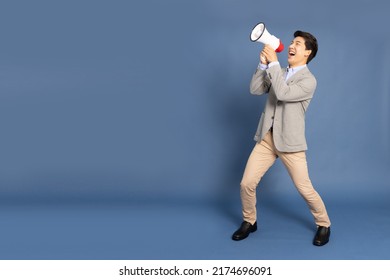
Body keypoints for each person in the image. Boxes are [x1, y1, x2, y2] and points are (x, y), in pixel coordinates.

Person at [232, 30, 331, 246]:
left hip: (290, 143)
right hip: (267, 138)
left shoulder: (309, 81)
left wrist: (273, 65)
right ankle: (250, 220)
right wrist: (262, 66)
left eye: (297, 43)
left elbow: (284, 93)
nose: (291, 46)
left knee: (304, 187)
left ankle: (324, 224)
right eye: (291, 42)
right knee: (246, 183)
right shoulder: (280, 70)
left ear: (307, 52)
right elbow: (255, 89)